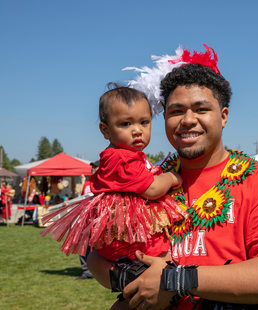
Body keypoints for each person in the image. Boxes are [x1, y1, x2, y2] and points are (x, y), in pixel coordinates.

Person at [87, 45, 258, 310]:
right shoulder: (145, 178)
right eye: (177, 111)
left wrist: (175, 280)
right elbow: (94, 254)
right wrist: (134, 286)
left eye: (201, 109)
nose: (188, 120)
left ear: (223, 116)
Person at [41, 86, 185, 269]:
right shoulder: (121, 158)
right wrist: (171, 177)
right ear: (105, 130)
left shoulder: (119, 155)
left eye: (144, 122)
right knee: (164, 262)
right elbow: (153, 189)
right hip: (132, 241)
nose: (137, 130)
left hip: (123, 238)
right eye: (126, 124)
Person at [76, 162, 99, 280]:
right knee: (83, 245)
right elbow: (82, 199)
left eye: (95, 167)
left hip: (100, 220)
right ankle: (86, 271)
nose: (92, 169)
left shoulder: (103, 183)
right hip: (86, 219)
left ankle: (100, 271)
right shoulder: (87, 184)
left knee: (99, 247)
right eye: (92, 168)